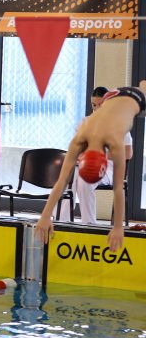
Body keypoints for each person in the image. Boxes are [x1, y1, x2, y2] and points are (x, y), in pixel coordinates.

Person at [35, 80, 146, 251]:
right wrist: (45, 216)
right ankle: (64, 220)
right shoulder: (81, 135)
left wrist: (118, 227)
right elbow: (62, 181)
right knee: (73, 177)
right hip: (115, 98)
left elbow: (118, 188)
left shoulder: (114, 141)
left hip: (136, 98)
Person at [62, 86, 133, 225]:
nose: (97, 109)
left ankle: (89, 224)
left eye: (101, 105)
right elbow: (76, 149)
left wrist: (100, 154)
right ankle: (62, 221)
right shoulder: (85, 122)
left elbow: (128, 153)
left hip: (110, 167)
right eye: (94, 105)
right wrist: (81, 156)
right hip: (86, 163)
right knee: (69, 176)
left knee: (84, 180)